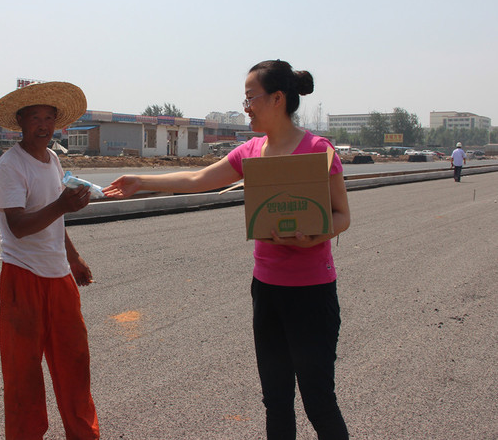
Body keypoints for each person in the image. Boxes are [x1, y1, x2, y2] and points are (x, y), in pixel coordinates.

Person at [104, 60, 351, 439]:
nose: (246, 107)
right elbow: (198, 177)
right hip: (267, 292)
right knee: (276, 400)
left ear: (278, 99)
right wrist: (141, 180)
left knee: (318, 399)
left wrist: (313, 237)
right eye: (245, 99)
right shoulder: (251, 151)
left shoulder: (319, 150)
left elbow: (342, 216)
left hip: (312, 294)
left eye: (251, 98)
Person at [0, 81, 100, 440]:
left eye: (49, 118)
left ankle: (84, 434)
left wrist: (74, 257)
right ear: (20, 121)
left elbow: (55, 219)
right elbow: (18, 226)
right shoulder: (11, 164)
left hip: (59, 276)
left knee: (75, 364)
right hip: (22, 276)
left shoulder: (52, 160)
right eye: (35, 117)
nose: (43, 125)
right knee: (23, 373)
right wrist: (61, 205)